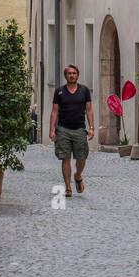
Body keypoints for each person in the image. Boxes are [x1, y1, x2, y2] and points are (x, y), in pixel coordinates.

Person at [49, 64, 94, 198]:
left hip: (80, 128)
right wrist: (52, 130)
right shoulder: (59, 91)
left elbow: (89, 110)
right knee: (65, 158)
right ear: (66, 76)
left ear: (77, 75)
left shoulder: (84, 91)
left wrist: (91, 128)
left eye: (74, 73)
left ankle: (78, 175)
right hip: (63, 129)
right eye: (69, 73)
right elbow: (54, 112)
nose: (72, 75)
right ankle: (68, 187)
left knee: (81, 157)